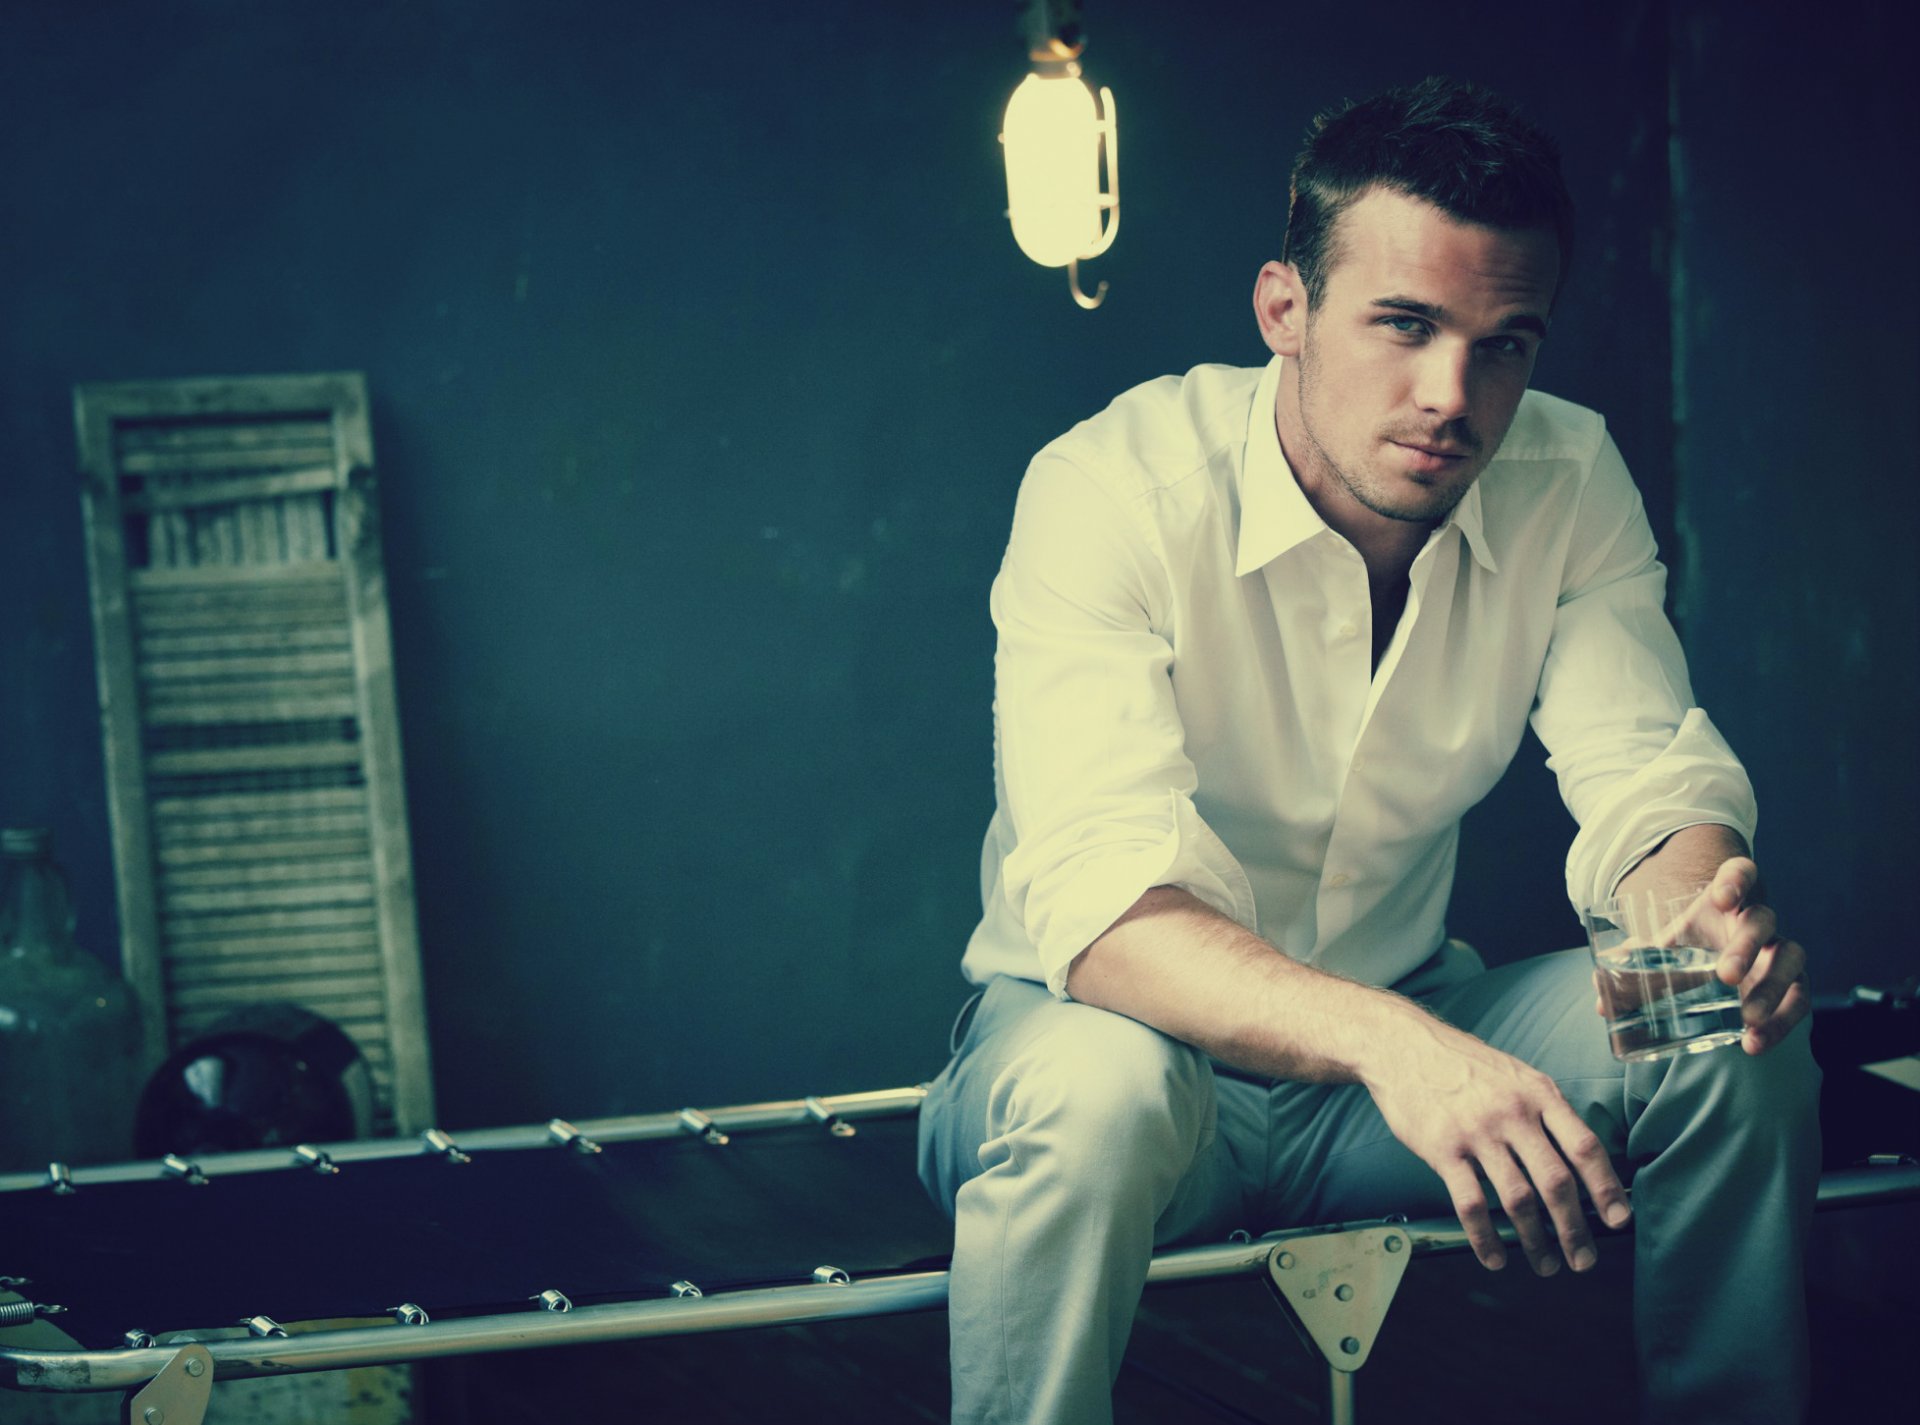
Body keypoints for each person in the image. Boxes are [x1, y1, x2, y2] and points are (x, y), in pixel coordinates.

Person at [917, 76, 1820, 1425]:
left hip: (1401, 1073)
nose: (1453, 396)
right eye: (1405, 324)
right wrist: (1396, 1048)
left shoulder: (1569, 476)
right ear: (1284, 309)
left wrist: (1698, 917)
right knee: (1097, 1091)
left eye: (1504, 344)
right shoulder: (1109, 488)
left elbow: (1646, 777)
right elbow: (1103, 913)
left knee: (1719, 1022)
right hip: (1130, 1067)